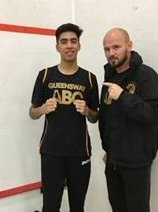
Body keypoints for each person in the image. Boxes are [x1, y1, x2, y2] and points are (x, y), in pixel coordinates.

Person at [29, 23, 99, 212]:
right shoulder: (45, 75)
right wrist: (43, 108)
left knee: (78, 206)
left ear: (79, 46)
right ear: (57, 46)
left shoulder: (90, 78)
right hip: (51, 151)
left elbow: (95, 117)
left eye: (73, 41)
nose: (69, 45)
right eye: (64, 41)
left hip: (79, 152)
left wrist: (87, 111)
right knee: (50, 206)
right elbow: (32, 112)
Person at [99, 28, 158, 212]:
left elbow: (154, 114)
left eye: (116, 47)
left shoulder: (146, 76)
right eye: (106, 49)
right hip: (113, 162)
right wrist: (110, 150)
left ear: (129, 46)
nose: (111, 53)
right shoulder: (109, 78)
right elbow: (107, 119)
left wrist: (123, 96)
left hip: (136, 162)